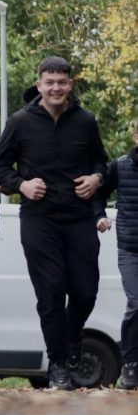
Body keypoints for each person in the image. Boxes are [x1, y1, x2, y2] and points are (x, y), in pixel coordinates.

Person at [0, 56, 107, 390]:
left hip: (79, 217)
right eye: (50, 82)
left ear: (70, 85)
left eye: (62, 82)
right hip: (39, 219)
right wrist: (21, 185)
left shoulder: (85, 121)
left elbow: (101, 159)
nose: (56, 88)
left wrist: (97, 178)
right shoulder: (19, 122)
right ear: (39, 84)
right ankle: (57, 364)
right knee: (51, 292)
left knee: (85, 293)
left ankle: (71, 340)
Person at [96, 117, 138, 389]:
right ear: (135, 137)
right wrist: (100, 215)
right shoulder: (121, 166)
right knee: (137, 303)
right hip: (131, 248)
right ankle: (131, 367)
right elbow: (99, 194)